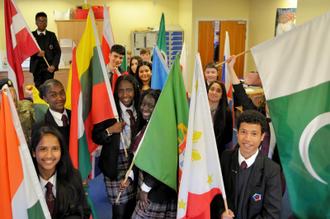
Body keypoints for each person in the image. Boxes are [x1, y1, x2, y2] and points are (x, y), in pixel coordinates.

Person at [227, 55, 286, 195]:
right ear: (264, 102)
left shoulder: (285, 125)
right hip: (249, 164)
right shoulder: (257, 116)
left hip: (272, 167)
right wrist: (230, 69)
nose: (271, 106)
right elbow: (241, 94)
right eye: (269, 102)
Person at [211, 110, 282, 219]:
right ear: (237, 132)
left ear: (262, 136)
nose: (247, 138)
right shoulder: (226, 157)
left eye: (254, 133)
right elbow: (216, 192)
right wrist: (221, 212)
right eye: (243, 132)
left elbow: (272, 213)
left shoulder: (271, 169)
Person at [92, 74, 140, 219]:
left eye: (129, 90)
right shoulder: (109, 111)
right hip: (115, 162)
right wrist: (110, 130)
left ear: (135, 91)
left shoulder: (140, 107)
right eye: (120, 91)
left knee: (133, 204)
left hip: (135, 160)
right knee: (119, 207)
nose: (125, 95)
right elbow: (96, 136)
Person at [30, 126, 91, 218]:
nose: (49, 155)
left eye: (55, 149)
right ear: (34, 152)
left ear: (61, 151)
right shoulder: (25, 184)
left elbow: (84, 211)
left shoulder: (73, 176)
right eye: (43, 149)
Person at [32, 79, 70, 147]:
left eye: (62, 93)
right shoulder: (40, 125)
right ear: (45, 99)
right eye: (53, 95)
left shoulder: (77, 117)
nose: (60, 98)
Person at [30, 12, 61, 90]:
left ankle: (48, 102)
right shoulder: (31, 35)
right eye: (39, 21)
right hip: (37, 68)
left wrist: (54, 65)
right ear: (36, 23)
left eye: (44, 21)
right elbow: (27, 50)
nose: (42, 23)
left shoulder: (51, 35)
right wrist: (36, 53)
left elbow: (57, 51)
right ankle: (40, 102)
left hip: (49, 67)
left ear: (46, 23)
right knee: (38, 88)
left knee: (49, 88)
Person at [0, 78, 35, 146]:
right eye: (2, 93)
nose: (7, 95)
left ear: (15, 92)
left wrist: (33, 96)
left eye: (9, 91)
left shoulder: (26, 105)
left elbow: (42, 119)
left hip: (28, 147)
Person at [208, 81, 233, 158]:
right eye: (212, 89)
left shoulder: (227, 113)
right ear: (207, 91)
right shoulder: (199, 109)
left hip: (216, 151)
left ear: (222, 95)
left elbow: (228, 138)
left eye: (218, 91)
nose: (214, 92)